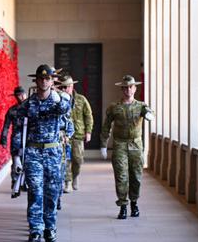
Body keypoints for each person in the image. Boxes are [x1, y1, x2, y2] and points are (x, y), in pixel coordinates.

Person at [17, 65, 72, 242]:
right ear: (36, 81)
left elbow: (66, 109)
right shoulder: (29, 103)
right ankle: (35, 230)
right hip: (33, 152)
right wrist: (17, 155)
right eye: (41, 79)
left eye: (47, 78)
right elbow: (18, 125)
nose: (44, 81)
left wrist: (58, 98)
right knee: (35, 191)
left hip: (53, 152)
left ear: (52, 81)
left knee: (52, 192)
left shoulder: (59, 100)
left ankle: (50, 227)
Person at [100, 74, 154, 219]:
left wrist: (149, 115)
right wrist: (104, 144)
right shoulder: (114, 107)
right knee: (121, 176)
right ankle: (123, 205)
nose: (128, 90)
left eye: (131, 87)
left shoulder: (141, 106)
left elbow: (150, 113)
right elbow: (106, 126)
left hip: (136, 144)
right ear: (122, 90)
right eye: (125, 88)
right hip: (120, 144)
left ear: (135, 88)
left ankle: (134, 203)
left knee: (136, 176)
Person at [55, 74, 94, 192]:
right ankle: (67, 182)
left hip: (78, 134)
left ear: (72, 86)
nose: (65, 89)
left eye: (67, 87)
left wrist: (88, 132)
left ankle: (75, 176)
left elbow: (88, 116)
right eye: (62, 87)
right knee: (65, 159)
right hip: (64, 135)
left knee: (77, 159)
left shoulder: (81, 99)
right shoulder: (58, 99)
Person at [0, 86, 28, 190]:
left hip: (29, 139)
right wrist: (3, 139)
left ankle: (25, 183)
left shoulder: (30, 108)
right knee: (16, 161)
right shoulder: (12, 110)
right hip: (16, 140)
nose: (20, 97)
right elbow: (6, 126)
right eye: (17, 95)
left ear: (25, 94)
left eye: (21, 95)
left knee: (28, 161)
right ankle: (15, 182)